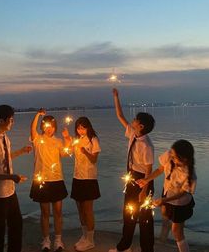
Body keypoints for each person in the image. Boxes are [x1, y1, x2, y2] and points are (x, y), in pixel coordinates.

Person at [0, 104, 32, 252]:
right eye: (11, 119)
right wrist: (11, 176)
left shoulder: (4, 138)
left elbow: (5, 160)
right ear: (2, 121)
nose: (13, 122)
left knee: (16, 224)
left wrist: (21, 151)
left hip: (9, 191)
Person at [109, 88, 155, 252]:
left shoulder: (146, 145)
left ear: (140, 126)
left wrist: (144, 190)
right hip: (132, 177)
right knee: (128, 213)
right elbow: (120, 116)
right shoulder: (133, 134)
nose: (132, 120)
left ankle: (147, 249)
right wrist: (116, 97)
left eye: (135, 119)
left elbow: (149, 170)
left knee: (144, 217)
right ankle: (124, 246)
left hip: (144, 179)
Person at [137, 139, 196, 252]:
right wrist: (146, 180)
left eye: (174, 157)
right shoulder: (169, 155)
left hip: (180, 202)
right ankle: (164, 236)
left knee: (177, 231)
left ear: (184, 159)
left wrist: (164, 200)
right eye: (171, 154)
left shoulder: (189, 174)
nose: (171, 158)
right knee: (166, 216)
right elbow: (160, 169)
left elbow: (182, 193)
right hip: (168, 193)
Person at [29, 109, 68, 252]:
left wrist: (67, 139)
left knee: (58, 212)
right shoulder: (37, 140)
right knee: (45, 213)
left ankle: (58, 240)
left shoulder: (57, 141)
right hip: (42, 181)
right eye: (46, 126)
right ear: (42, 127)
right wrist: (38, 115)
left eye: (52, 126)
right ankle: (46, 240)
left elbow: (65, 154)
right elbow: (32, 129)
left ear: (55, 127)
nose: (49, 129)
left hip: (57, 179)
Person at [63, 117, 101, 251]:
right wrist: (67, 138)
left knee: (88, 210)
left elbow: (94, 159)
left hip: (89, 179)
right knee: (80, 209)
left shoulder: (93, 140)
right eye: (78, 128)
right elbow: (68, 151)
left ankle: (90, 240)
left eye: (83, 127)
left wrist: (85, 151)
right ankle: (84, 236)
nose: (80, 130)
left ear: (88, 127)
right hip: (77, 177)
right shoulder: (77, 140)